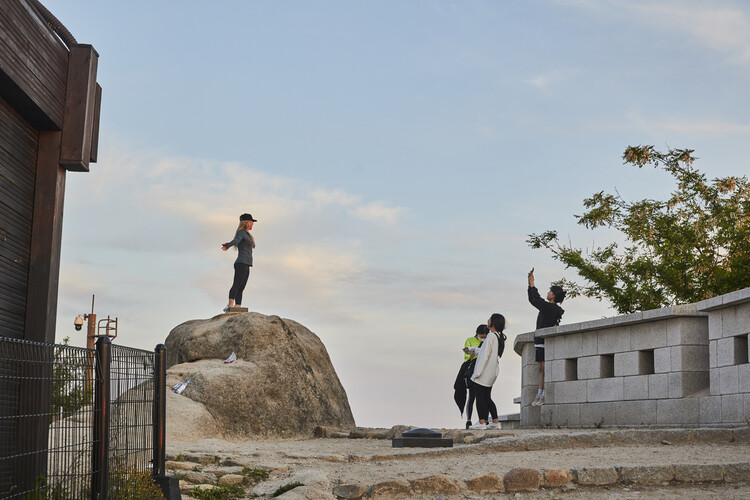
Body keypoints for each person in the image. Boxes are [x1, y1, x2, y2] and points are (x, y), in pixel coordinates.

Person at [527, 268, 566, 406]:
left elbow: (535, 300)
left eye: (550, 291)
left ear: (554, 295)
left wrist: (532, 283)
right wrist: (530, 283)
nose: (548, 292)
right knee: (541, 368)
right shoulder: (550, 307)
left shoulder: (551, 308)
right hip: (540, 341)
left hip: (544, 341)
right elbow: (534, 299)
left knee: (543, 368)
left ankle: (542, 394)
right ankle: (540, 393)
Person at [469, 313, 506, 430]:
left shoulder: (490, 336)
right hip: (491, 372)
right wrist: (474, 350)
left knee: (479, 397)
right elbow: (486, 351)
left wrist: (477, 373)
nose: (488, 320)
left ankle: (481, 422)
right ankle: (495, 421)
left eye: (490, 318)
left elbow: (485, 355)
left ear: (493, 322)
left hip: (484, 372)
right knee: (487, 397)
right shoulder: (498, 336)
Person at [221, 213, 257, 312]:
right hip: (241, 262)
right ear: (248, 222)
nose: (253, 224)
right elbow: (236, 241)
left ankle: (238, 307)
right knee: (237, 284)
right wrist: (227, 245)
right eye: (252, 222)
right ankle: (230, 306)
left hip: (247, 263)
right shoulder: (241, 233)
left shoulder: (247, 235)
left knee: (241, 286)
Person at [460, 324, 488, 429]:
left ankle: (484, 419)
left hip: (484, 370)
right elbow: (467, 357)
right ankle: (469, 420)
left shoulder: (487, 341)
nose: (483, 338)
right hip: (472, 370)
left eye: (485, 336)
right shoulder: (469, 340)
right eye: (482, 336)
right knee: (471, 396)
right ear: (477, 333)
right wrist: (477, 352)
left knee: (484, 396)